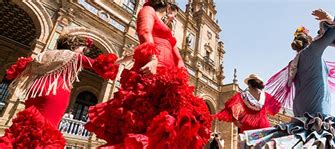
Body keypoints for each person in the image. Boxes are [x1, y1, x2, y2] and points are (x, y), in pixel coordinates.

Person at [84, 0, 212, 148]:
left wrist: (182, 75)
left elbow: (175, 52)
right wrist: (152, 58)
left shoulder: (165, 27)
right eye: (172, 14)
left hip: (169, 74)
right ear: (168, 6)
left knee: (168, 121)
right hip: (154, 68)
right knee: (146, 116)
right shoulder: (148, 10)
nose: (172, 18)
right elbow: (145, 32)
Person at [240, 8, 335, 148]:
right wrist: (329, 18)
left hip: (300, 113)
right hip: (316, 113)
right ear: (310, 41)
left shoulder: (293, 63)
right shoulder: (312, 51)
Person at [0, 28, 119, 148]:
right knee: (45, 131)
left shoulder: (44, 54)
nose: (82, 53)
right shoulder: (73, 56)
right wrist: (129, 58)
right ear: (75, 46)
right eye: (82, 50)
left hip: (35, 90)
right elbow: (102, 65)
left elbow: (21, 68)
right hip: (55, 91)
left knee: (25, 129)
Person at [216, 74, 281, 132]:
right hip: (264, 127)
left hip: (248, 128)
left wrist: (236, 122)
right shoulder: (265, 96)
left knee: (248, 145)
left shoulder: (242, 96)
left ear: (249, 84)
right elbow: (276, 107)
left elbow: (229, 108)